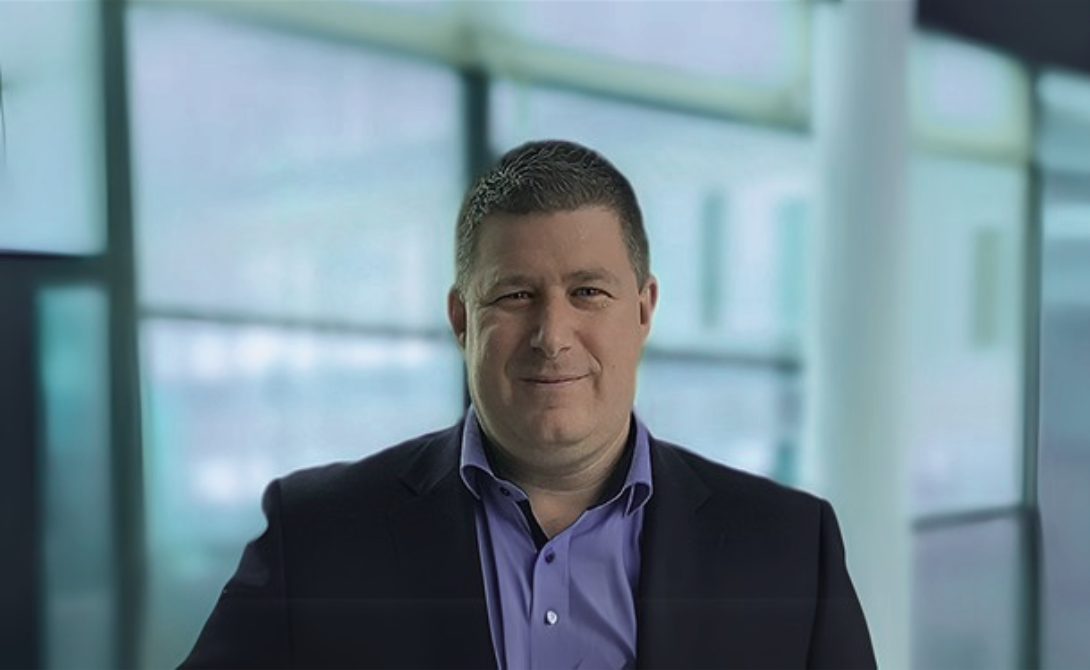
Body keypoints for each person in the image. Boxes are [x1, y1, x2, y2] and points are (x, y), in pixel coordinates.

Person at [181, 140, 876, 669]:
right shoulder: (318, 538)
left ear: (643, 310)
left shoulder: (790, 551)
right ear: (461, 319)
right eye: (515, 295)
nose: (552, 336)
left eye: (588, 293)